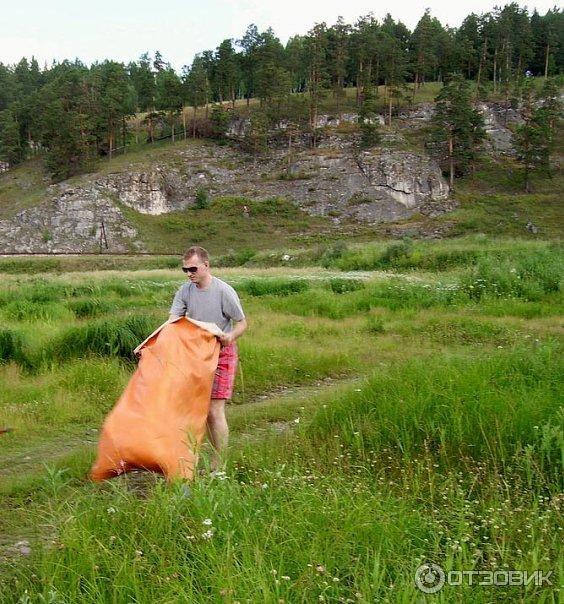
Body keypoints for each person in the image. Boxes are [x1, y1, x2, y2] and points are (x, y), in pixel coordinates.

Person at [169, 246, 247, 472]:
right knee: (197, 411)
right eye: (185, 269)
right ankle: (189, 464)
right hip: (195, 355)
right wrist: (150, 345)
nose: (188, 273)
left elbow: (242, 323)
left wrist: (230, 336)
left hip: (221, 353)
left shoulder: (224, 291)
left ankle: (218, 466)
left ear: (206, 266)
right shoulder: (184, 291)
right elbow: (173, 322)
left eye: (192, 268)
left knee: (214, 410)